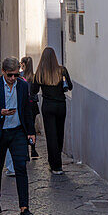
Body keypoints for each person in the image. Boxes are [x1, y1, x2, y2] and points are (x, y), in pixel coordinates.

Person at [0, 57, 36, 215]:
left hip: (18, 132)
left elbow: (27, 109)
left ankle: (24, 208)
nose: (13, 79)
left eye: (16, 75)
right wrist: (0, 112)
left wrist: (31, 131)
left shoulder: (23, 85)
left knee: (21, 167)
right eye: (10, 75)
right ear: (3, 72)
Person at [33, 46, 73, 174]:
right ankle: (58, 162)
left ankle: (55, 165)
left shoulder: (40, 72)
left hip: (48, 106)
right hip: (61, 105)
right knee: (59, 133)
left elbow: (33, 90)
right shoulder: (62, 71)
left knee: (51, 135)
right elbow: (70, 86)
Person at [21, 56, 40, 158]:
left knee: (24, 127)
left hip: (24, 104)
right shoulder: (34, 77)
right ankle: (33, 149)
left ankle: (26, 152)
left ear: (23, 64)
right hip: (32, 104)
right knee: (31, 126)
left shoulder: (20, 77)